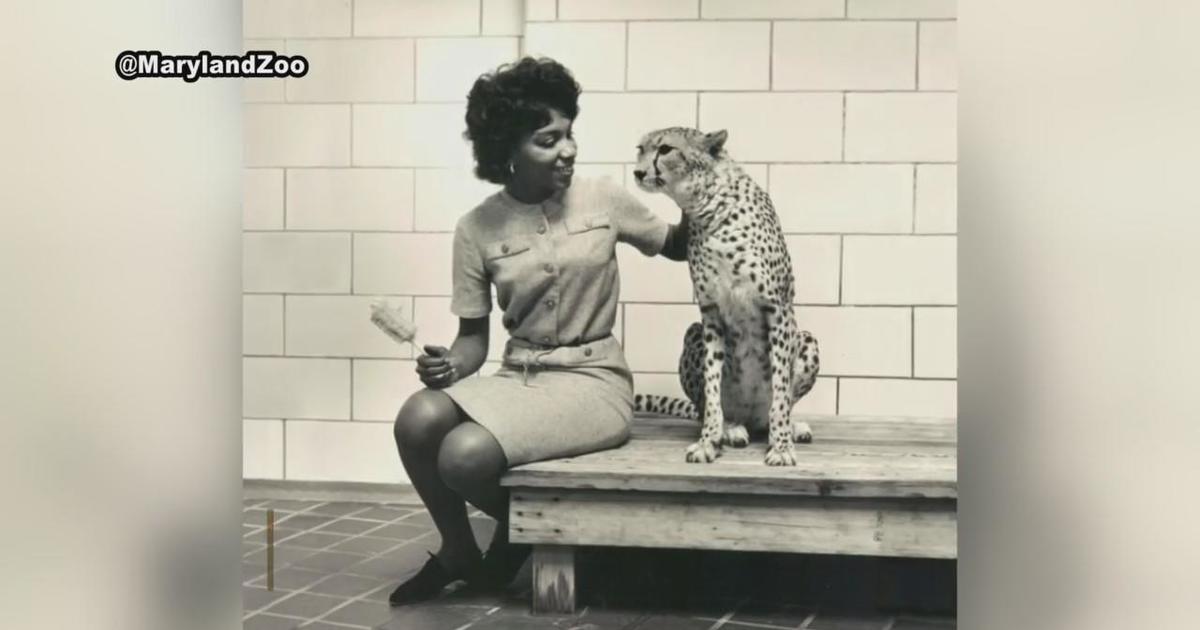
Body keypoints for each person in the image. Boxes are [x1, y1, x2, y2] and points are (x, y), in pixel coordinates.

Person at [388, 56, 688, 606]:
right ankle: (459, 549)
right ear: (508, 151)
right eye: (548, 141)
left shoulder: (604, 198)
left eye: (569, 134)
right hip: (519, 375)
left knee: (463, 455)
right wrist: (450, 367)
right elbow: (472, 341)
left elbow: (677, 243)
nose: (568, 150)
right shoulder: (476, 227)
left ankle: (553, 535)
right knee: (417, 415)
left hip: (593, 381)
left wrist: (701, 186)